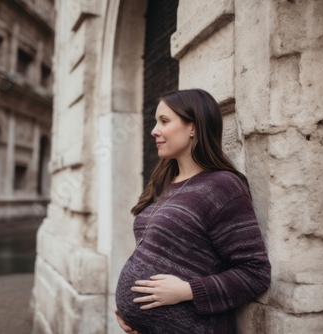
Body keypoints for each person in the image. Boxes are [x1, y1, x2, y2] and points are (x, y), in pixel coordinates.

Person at [114, 89, 271, 334]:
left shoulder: (222, 187)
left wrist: (187, 291)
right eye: (156, 122)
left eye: (164, 121)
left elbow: (255, 273)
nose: (154, 130)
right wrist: (130, 314)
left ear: (193, 127)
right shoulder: (164, 182)